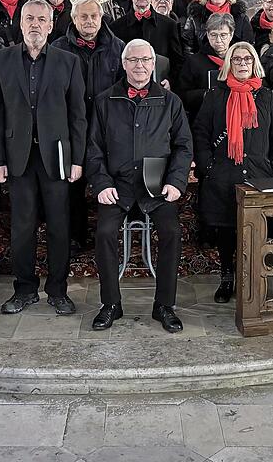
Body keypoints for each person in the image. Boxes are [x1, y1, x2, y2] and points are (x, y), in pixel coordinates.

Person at [0, 0, 87, 315]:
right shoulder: (1, 60)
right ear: (20, 22)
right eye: (29, 18)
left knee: (59, 226)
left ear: (51, 24)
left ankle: (57, 291)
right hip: (18, 158)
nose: (34, 24)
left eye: (41, 19)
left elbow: (78, 116)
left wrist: (77, 159)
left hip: (56, 157)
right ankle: (25, 290)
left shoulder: (68, 61)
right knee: (22, 227)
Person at [86, 39, 193, 332]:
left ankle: (164, 306)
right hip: (117, 185)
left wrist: (176, 181)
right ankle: (110, 304)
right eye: (133, 60)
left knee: (171, 231)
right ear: (124, 64)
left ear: (154, 63)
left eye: (145, 60)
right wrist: (102, 184)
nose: (140, 66)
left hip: (156, 184)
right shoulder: (105, 100)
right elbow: (93, 148)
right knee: (105, 231)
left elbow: (184, 146)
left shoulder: (171, 102)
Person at [193, 42, 273, 302]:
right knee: (226, 230)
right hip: (224, 173)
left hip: (259, 174)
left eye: (247, 59)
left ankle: (251, 278)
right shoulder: (215, 95)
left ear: (254, 63)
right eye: (237, 60)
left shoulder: (266, 96)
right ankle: (227, 277)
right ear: (229, 64)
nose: (243, 64)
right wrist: (207, 165)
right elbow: (200, 132)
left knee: (256, 231)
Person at [53, 0, 126, 251]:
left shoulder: (118, 47)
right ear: (73, 19)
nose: (89, 21)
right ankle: (75, 237)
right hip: (71, 127)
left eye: (94, 16)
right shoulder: (59, 48)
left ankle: (109, 237)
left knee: (108, 178)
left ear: (101, 17)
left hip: (106, 126)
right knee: (73, 185)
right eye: (83, 16)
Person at [109, 0, 184, 86]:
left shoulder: (169, 25)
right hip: (126, 89)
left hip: (159, 87)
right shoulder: (116, 27)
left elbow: (178, 61)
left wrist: (170, 80)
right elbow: (113, 63)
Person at [177, 13, 234, 126]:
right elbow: (181, 95)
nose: (218, 40)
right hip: (203, 122)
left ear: (231, 35)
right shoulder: (194, 61)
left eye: (223, 35)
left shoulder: (239, 60)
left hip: (235, 119)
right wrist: (205, 94)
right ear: (207, 35)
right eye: (213, 35)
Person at [182, 0, 253, 56]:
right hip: (202, 64)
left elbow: (248, 46)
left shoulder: (240, 17)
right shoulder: (195, 16)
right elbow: (187, 47)